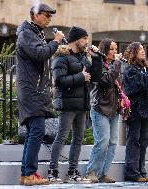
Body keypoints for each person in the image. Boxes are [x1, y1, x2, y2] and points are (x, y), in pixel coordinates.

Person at [16, 3, 64, 186]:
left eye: (50, 16)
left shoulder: (34, 33)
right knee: (37, 130)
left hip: (34, 90)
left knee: (32, 132)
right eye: (46, 15)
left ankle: (26, 174)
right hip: (31, 90)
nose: (49, 19)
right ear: (35, 15)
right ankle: (29, 173)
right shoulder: (27, 33)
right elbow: (40, 54)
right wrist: (55, 42)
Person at [47, 26, 101, 183]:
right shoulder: (61, 57)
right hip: (67, 103)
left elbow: (95, 77)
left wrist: (96, 58)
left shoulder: (83, 58)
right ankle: (53, 172)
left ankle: (72, 172)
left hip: (82, 103)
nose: (87, 41)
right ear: (76, 39)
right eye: (84, 38)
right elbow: (58, 81)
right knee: (61, 137)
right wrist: (80, 77)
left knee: (78, 138)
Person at [85, 38, 122, 183]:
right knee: (102, 141)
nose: (115, 52)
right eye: (112, 49)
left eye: (115, 49)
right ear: (105, 50)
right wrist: (117, 64)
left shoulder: (114, 65)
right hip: (100, 107)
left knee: (113, 143)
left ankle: (102, 173)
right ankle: (91, 172)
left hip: (113, 109)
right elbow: (106, 81)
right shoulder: (99, 65)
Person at [122, 42, 148, 182]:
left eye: (143, 49)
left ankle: (141, 170)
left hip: (146, 110)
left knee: (144, 141)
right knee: (134, 141)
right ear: (133, 52)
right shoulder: (130, 69)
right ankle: (132, 172)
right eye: (140, 49)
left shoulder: (143, 68)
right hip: (135, 110)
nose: (144, 51)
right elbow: (139, 85)